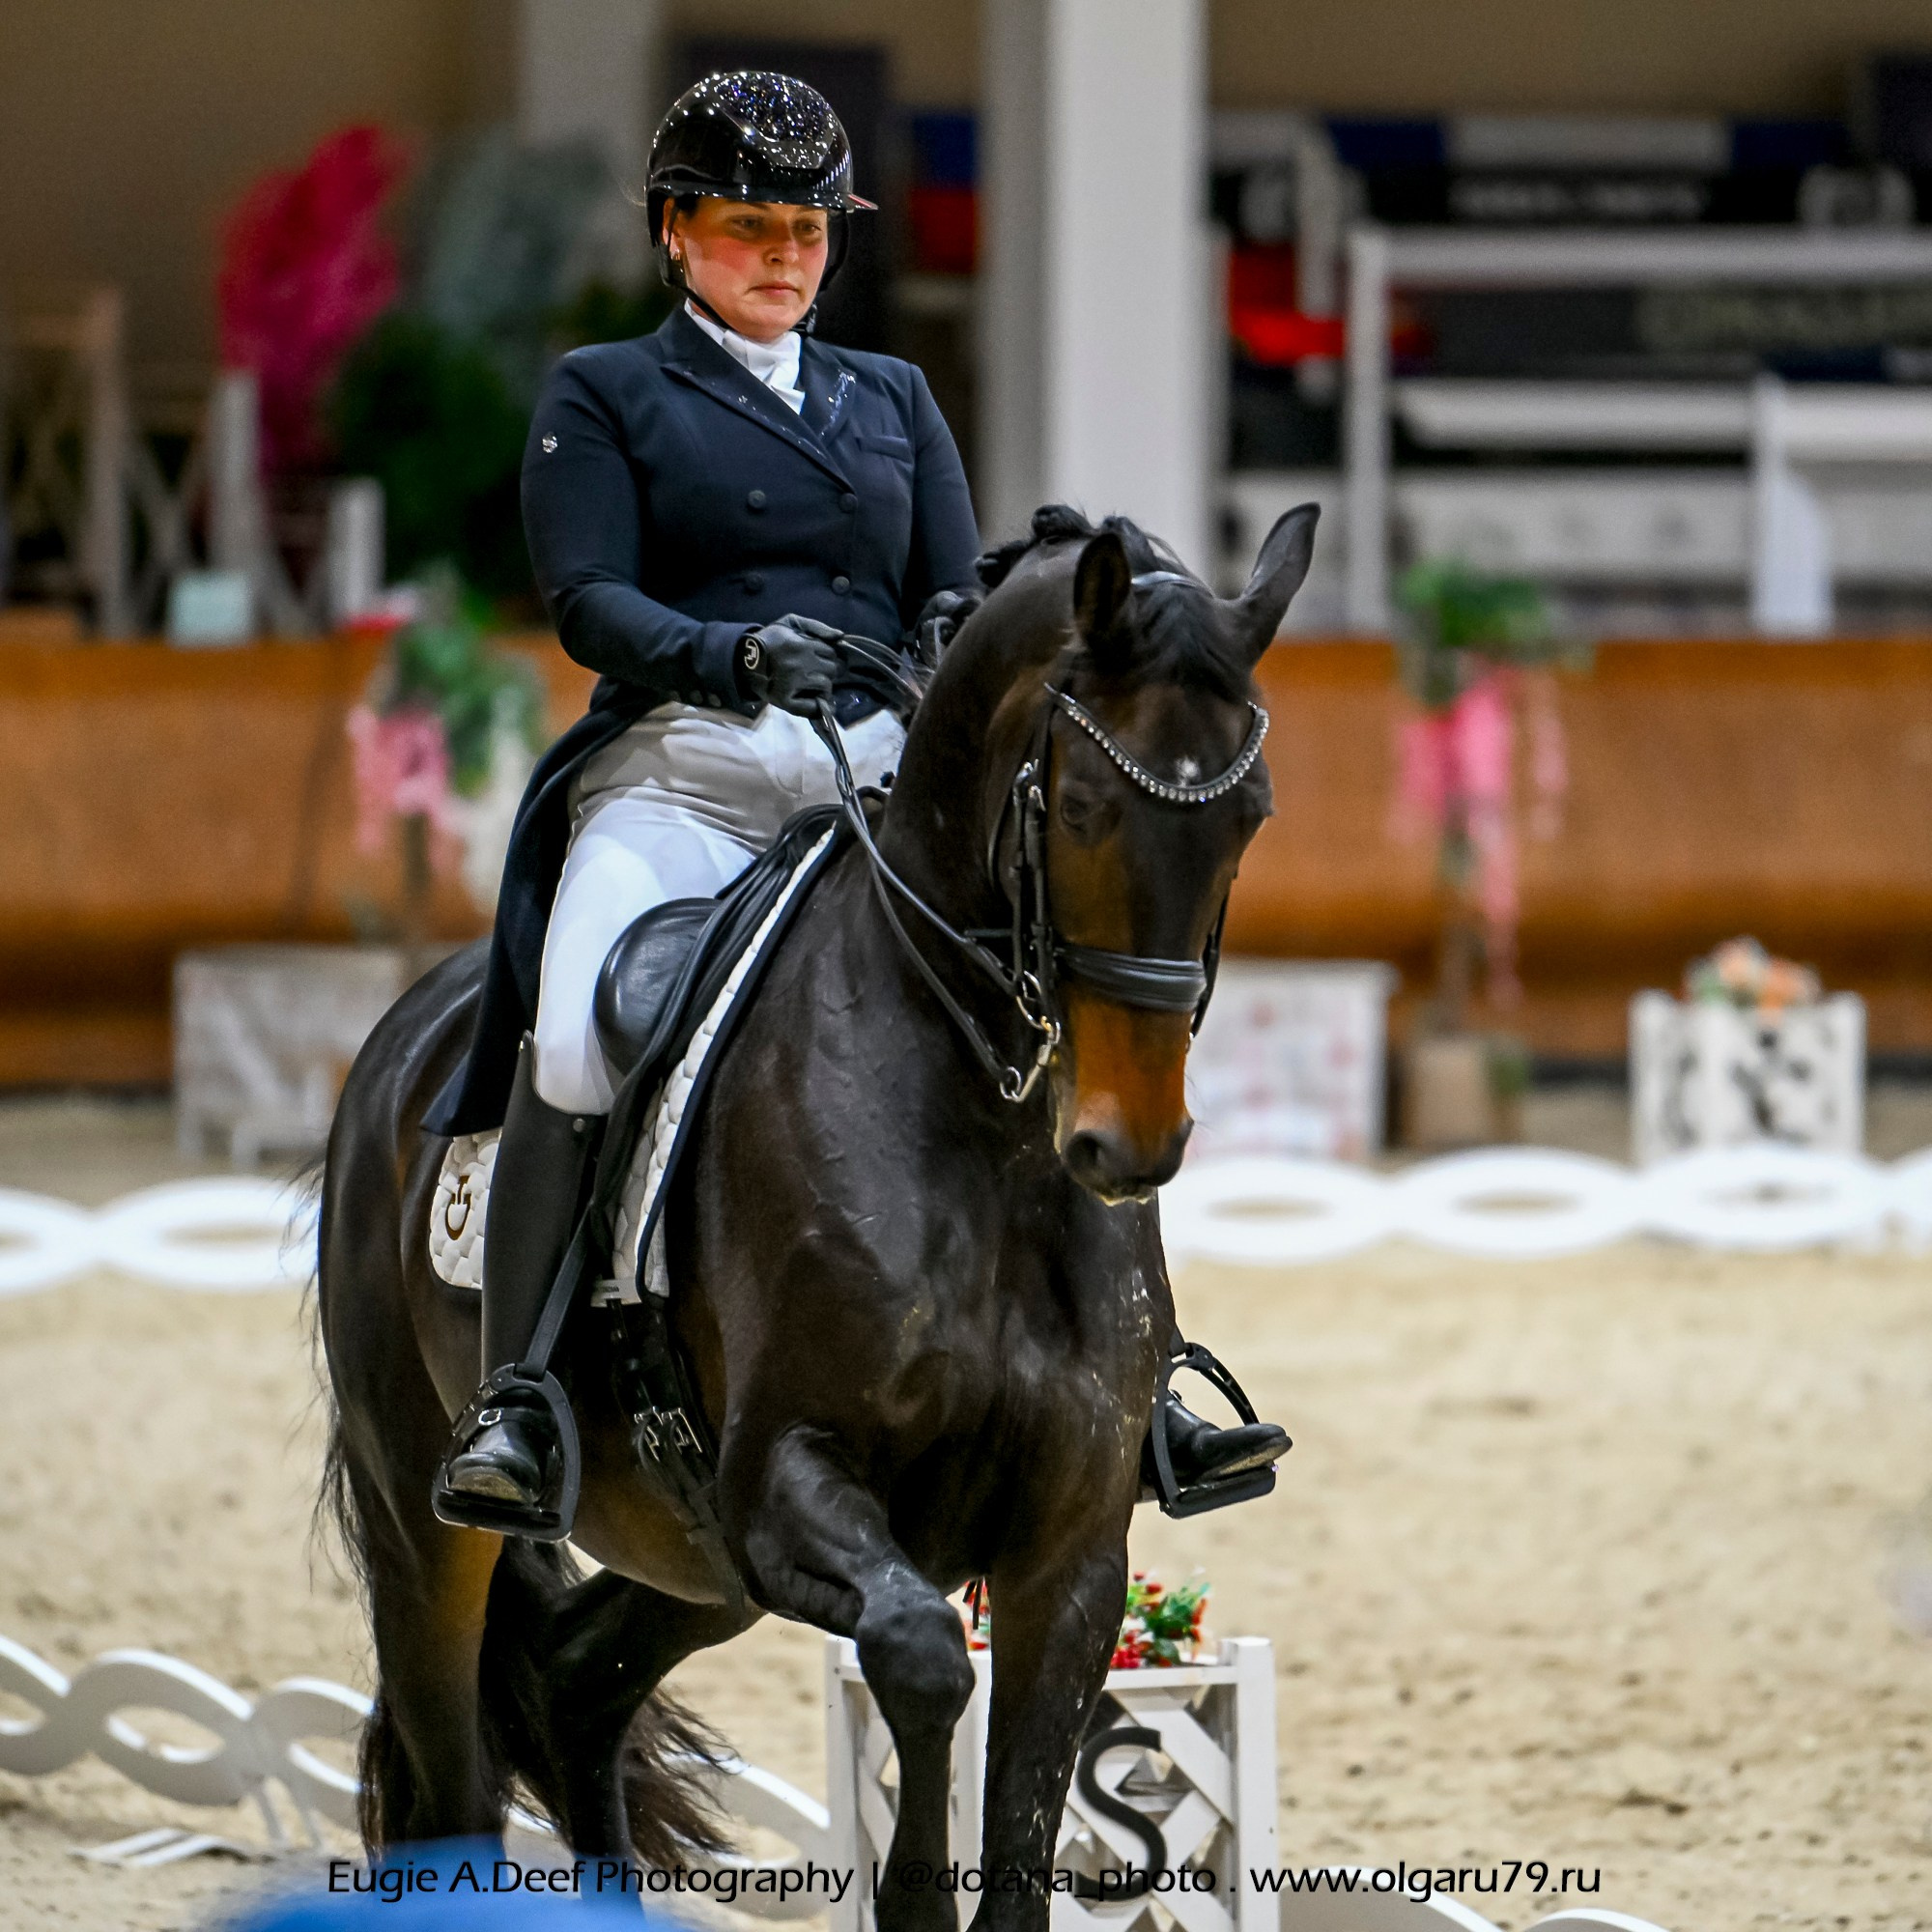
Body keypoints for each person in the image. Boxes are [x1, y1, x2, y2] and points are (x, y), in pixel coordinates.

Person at [428, 71, 1288, 1531]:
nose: (785, 255)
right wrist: (732, 650)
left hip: (870, 784)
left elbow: (950, 600)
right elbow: (586, 603)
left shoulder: (890, 399)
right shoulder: (608, 392)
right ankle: (521, 1398)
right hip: (683, 779)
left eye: (812, 231)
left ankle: (1148, 1383)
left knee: (1039, 1016)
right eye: (752, 225)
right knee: (573, 1030)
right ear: (676, 233)